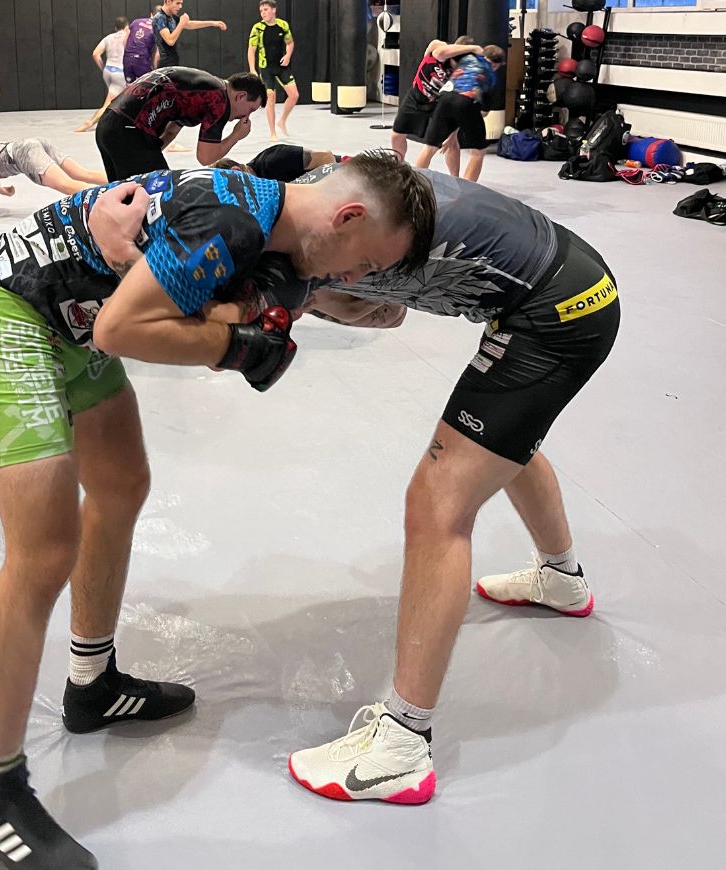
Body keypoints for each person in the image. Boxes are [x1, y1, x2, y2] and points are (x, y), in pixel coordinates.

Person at [0, 152, 436, 870]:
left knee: (122, 486)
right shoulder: (232, 222)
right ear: (347, 216)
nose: (359, 277)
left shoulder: (284, 232)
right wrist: (235, 346)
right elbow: (122, 330)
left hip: (72, 316)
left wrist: (306, 301)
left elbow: (369, 309)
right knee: (43, 553)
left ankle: (92, 684)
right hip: (16, 314)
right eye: (365, 261)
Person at [262, 167, 619, 806]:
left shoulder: (346, 219)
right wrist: (316, 292)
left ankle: (401, 746)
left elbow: (388, 315)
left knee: (435, 504)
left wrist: (312, 290)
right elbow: (381, 308)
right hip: (561, 284)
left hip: (557, 312)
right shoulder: (336, 201)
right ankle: (562, 578)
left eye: (366, 263)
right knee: (501, 443)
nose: (357, 271)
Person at [95, 68, 266, 181]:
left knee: (124, 196)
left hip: (108, 125)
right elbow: (206, 157)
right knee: (158, 196)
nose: (246, 116)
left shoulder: (205, 87)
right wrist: (236, 135)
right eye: (251, 109)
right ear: (241, 96)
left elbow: (170, 132)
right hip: (130, 131)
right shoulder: (220, 99)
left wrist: (147, 157)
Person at [414, 45, 506, 183]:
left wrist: (453, 131)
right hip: (467, 101)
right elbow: (484, 111)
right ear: (496, 65)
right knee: (478, 152)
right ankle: (466, 189)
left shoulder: (467, 58)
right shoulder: (491, 76)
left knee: (430, 147)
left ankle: (413, 184)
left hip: (444, 97)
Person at [390, 35, 483, 168]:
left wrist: (453, 133)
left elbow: (460, 103)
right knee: (396, 135)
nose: (456, 65)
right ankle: (399, 165)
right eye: (455, 59)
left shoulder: (465, 72)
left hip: (438, 105)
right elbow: (440, 52)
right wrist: (474, 48)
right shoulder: (439, 48)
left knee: (451, 143)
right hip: (417, 95)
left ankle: (454, 177)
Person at [0, 134, 108, 196]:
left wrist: (2, 191)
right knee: (82, 174)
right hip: (32, 142)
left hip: (24, 155)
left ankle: (108, 198)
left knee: (66, 185)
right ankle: (122, 180)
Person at [248, 0, 298, 141]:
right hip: (266, 68)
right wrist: (252, 69)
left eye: (265, 10)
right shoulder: (258, 28)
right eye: (261, 11)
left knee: (294, 95)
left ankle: (282, 121)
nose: (263, 13)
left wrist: (288, 55)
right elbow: (251, 50)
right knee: (271, 98)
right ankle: (272, 132)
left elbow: (290, 43)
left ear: (273, 10)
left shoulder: (283, 25)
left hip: (281, 66)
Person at [75, 17, 131, 133]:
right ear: (126, 27)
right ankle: (90, 122)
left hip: (109, 71)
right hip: (120, 72)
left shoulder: (108, 38)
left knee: (118, 99)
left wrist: (103, 68)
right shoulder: (127, 36)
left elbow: (95, 54)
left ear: (116, 28)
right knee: (109, 103)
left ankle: (117, 122)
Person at [212, 143, 343, 182]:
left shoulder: (273, 160)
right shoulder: (259, 183)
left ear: (237, 170)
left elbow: (325, 156)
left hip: (347, 169)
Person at [153, 0, 226, 69]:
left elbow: (189, 24)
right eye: (177, 3)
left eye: (181, 3)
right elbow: (170, 41)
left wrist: (213, 23)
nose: (180, 6)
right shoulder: (159, 18)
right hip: (165, 65)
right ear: (168, 1)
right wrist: (181, 23)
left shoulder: (172, 17)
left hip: (172, 62)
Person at [123, 7, 162, 84]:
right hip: (142, 60)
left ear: (151, 14)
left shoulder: (136, 21)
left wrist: (125, 55)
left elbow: (125, 40)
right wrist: (155, 69)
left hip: (127, 58)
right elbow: (157, 54)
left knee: (129, 87)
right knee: (149, 86)